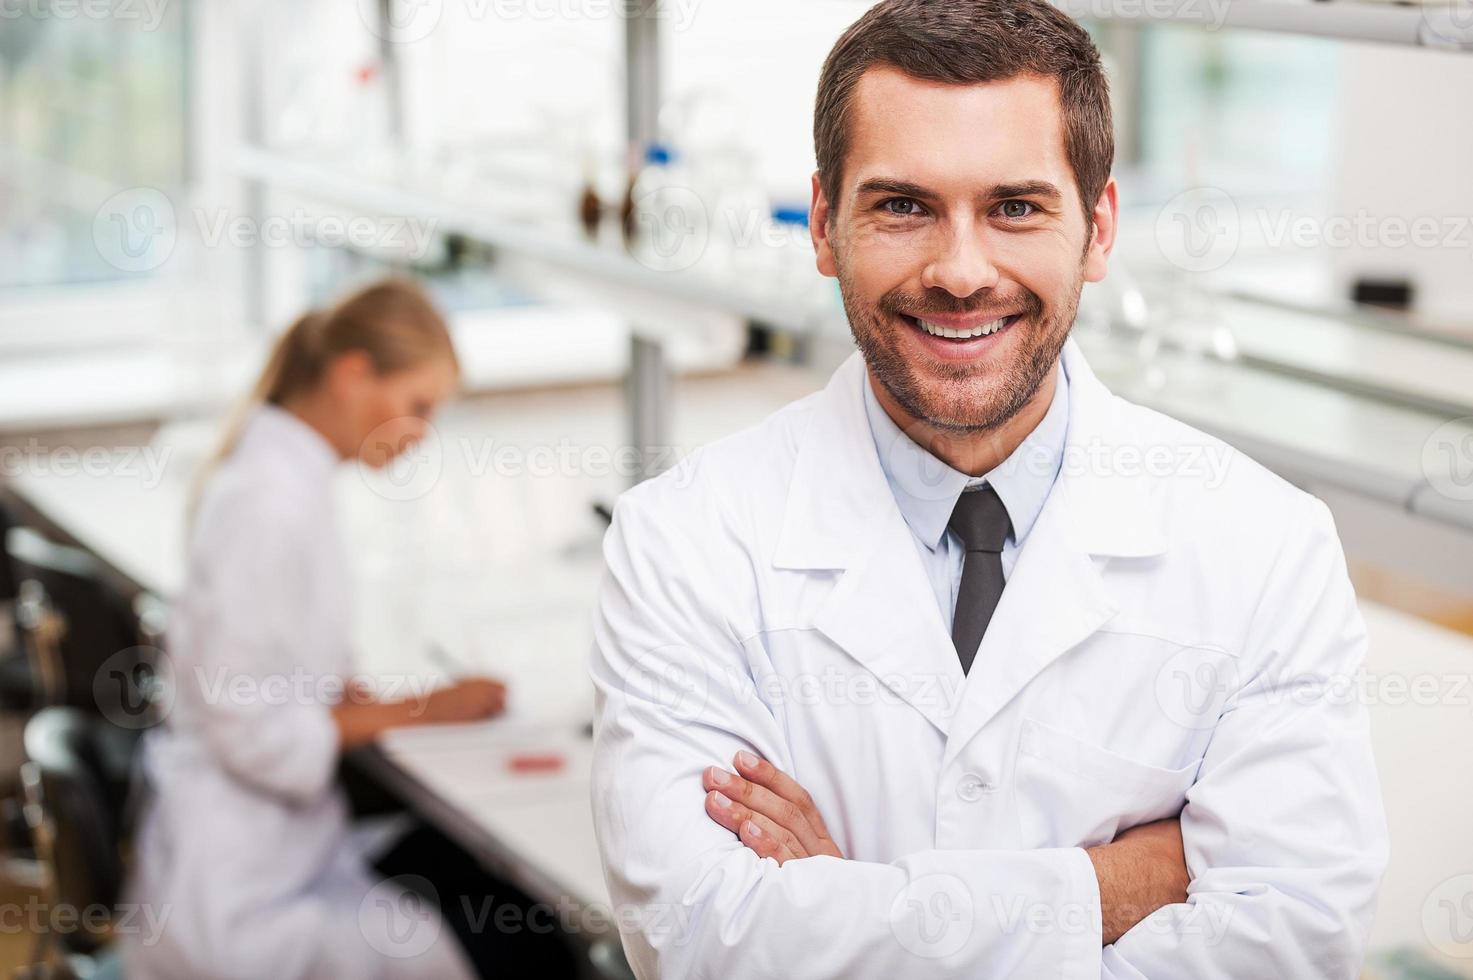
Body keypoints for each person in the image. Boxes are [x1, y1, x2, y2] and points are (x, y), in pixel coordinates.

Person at [589, 2, 1389, 978]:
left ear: (1096, 230)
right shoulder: (683, 541)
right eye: (902, 206)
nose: (960, 272)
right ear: (824, 224)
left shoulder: (1267, 548)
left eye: (1015, 206)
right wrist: (1112, 883)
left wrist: (851, 900)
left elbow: (1294, 943)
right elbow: (701, 935)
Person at [123, 280, 567, 979]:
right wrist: (426, 708)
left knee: (476, 876)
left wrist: (354, 694)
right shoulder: (269, 506)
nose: (422, 433)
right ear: (353, 373)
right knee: (532, 938)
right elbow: (252, 728)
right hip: (242, 898)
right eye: (418, 406)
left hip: (278, 847)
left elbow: (275, 674)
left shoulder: (289, 478)